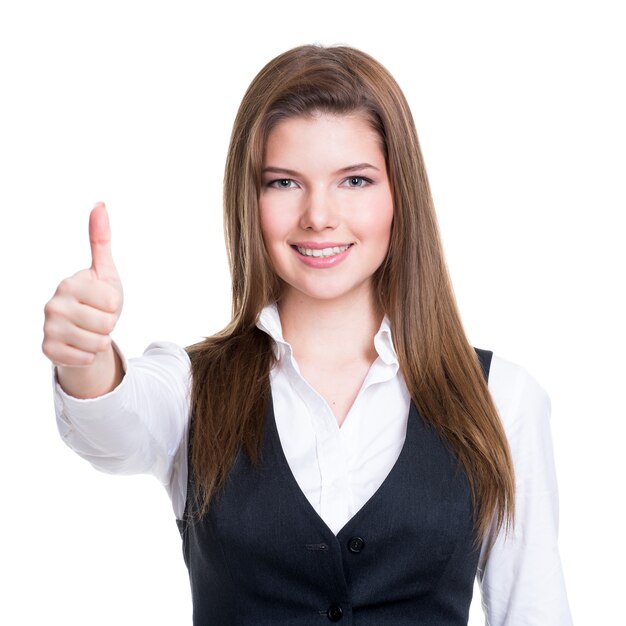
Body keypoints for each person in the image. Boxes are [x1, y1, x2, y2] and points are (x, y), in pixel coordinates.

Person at [43, 44, 572, 624]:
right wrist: (85, 358)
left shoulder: (501, 399)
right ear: (250, 200)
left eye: (354, 180)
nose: (319, 215)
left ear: (401, 195)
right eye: (284, 183)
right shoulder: (191, 389)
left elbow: (534, 610)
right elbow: (111, 427)